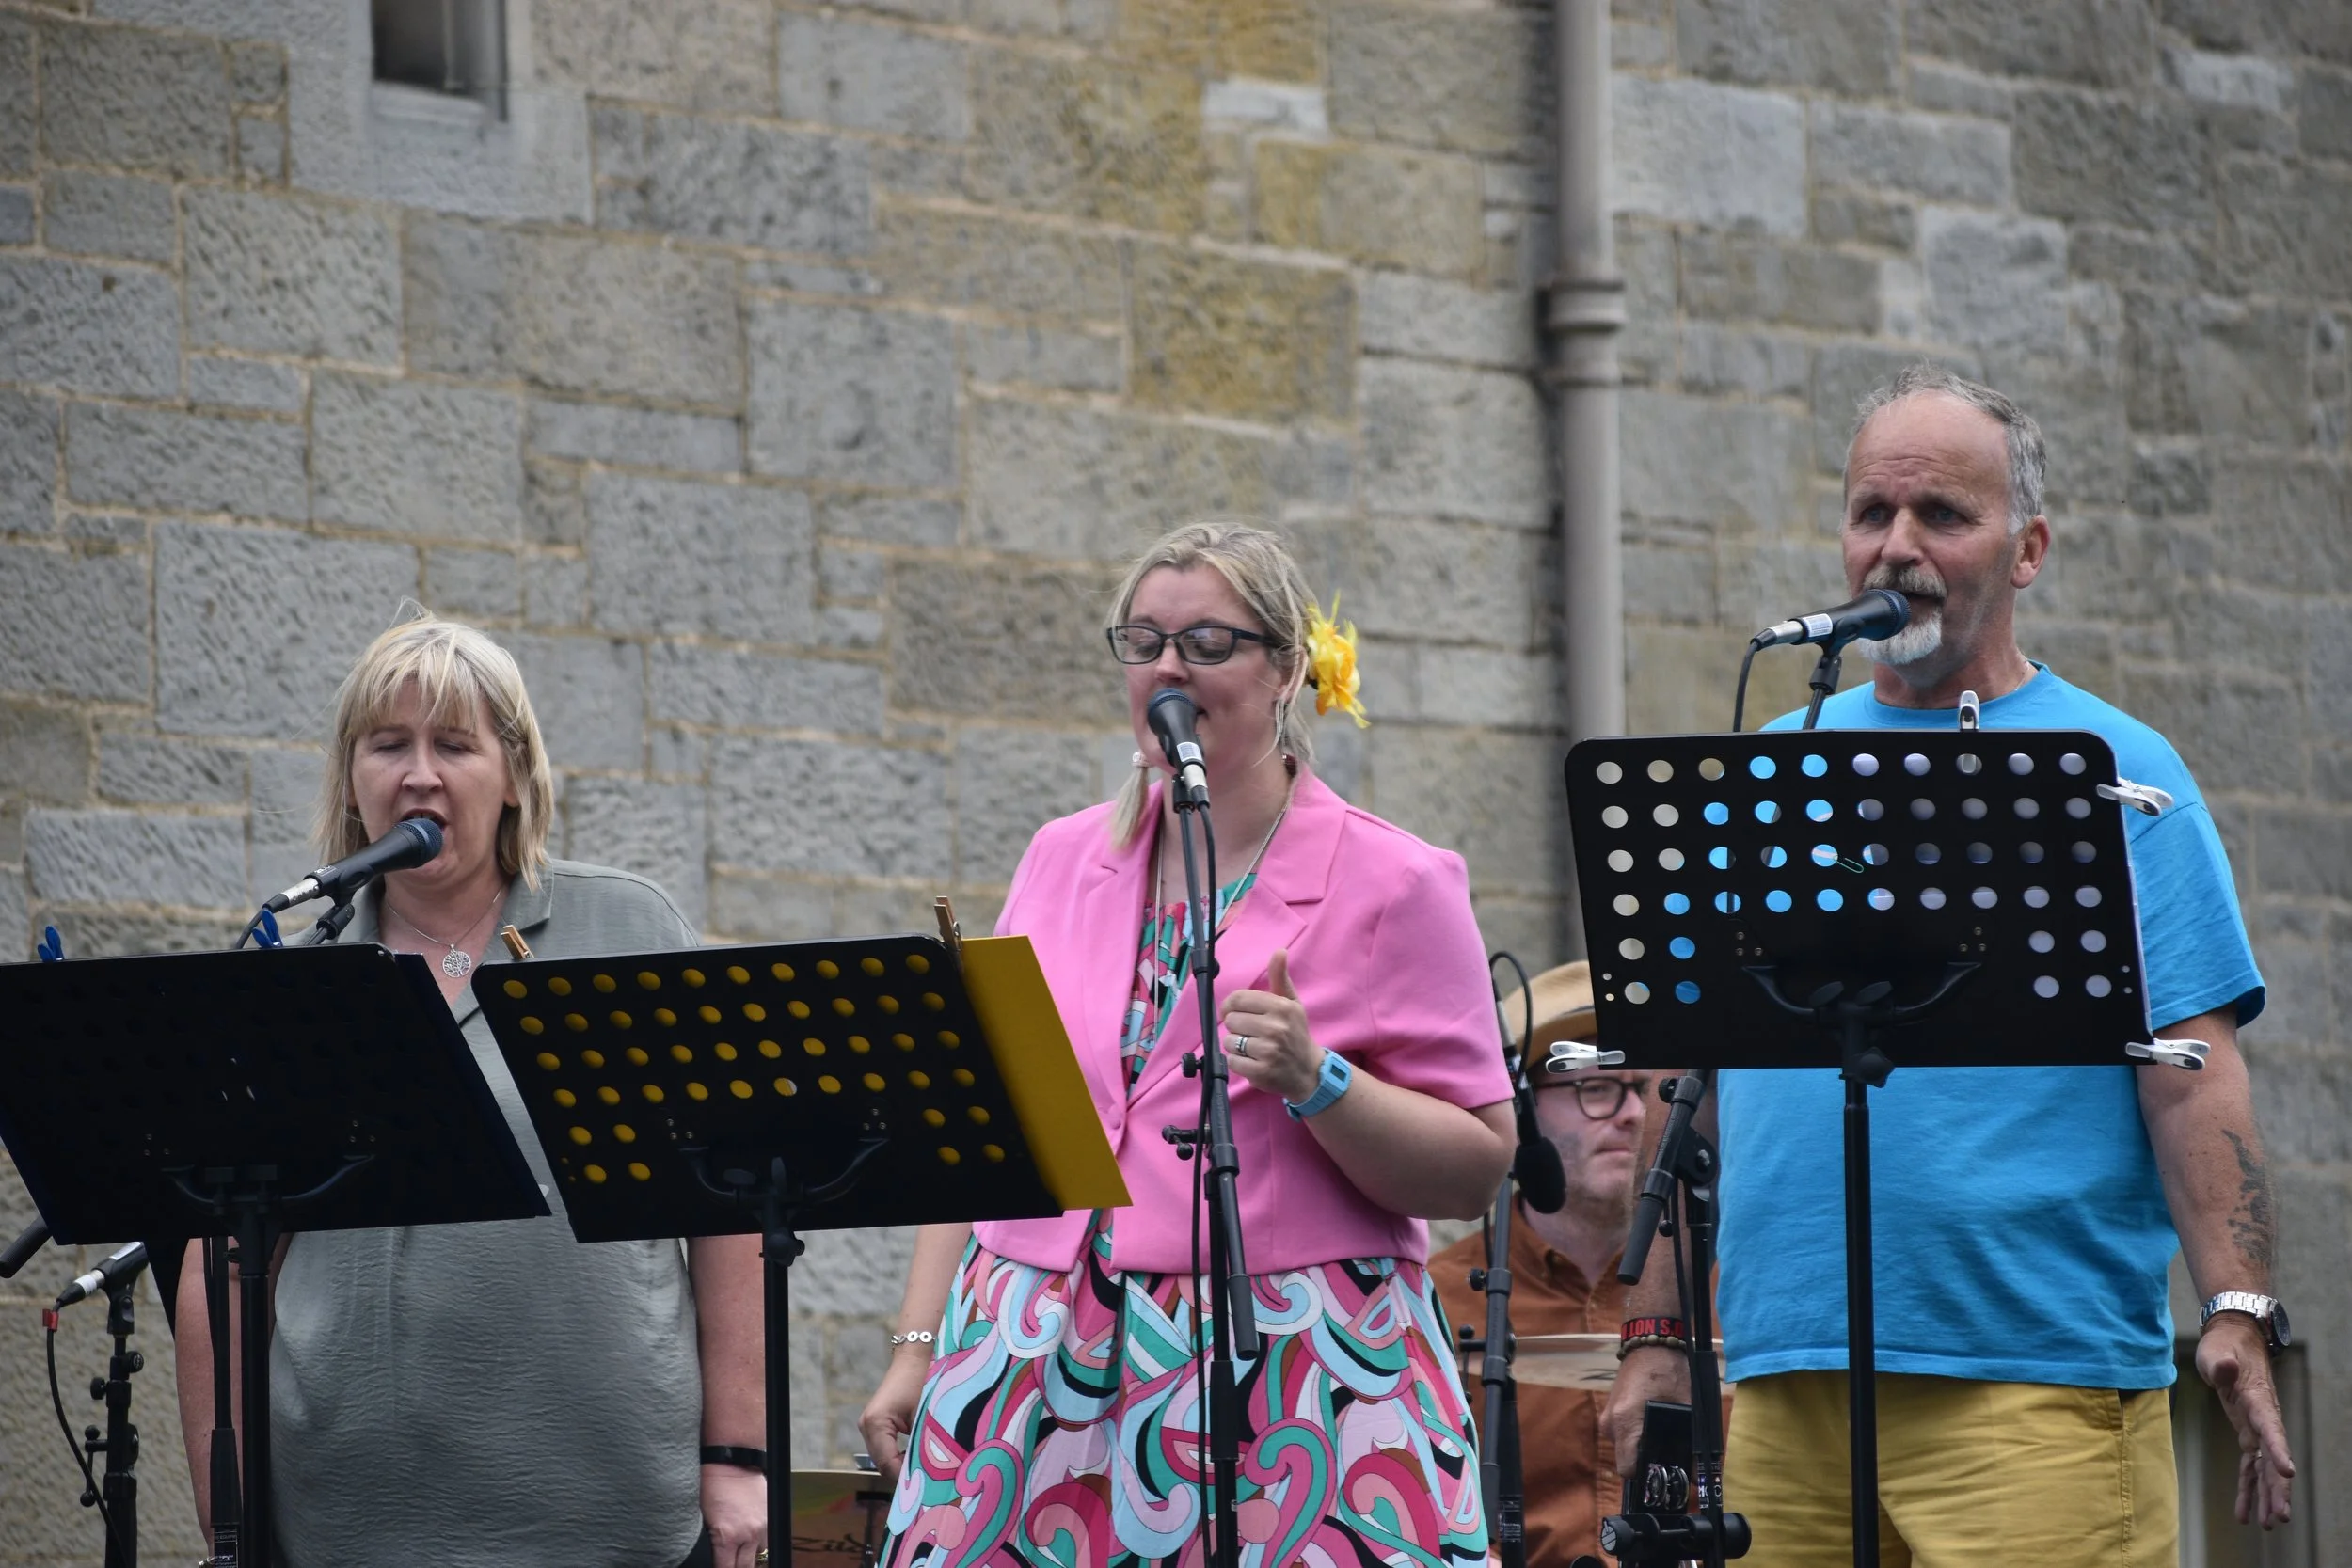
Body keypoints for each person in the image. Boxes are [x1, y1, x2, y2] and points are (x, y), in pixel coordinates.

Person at [1602, 365, 2295, 1565]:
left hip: (2033, 1382)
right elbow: (1685, 1087)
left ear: (2027, 549)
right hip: (1784, 1381)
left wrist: (2234, 1302)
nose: (1896, 547)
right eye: (1871, 512)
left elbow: (2192, 1073)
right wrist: (1656, 1335)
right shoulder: (1774, 761)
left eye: (1941, 514)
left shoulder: (2121, 769)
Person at [857, 521, 1516, 1568]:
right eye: (1144, 641)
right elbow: (988, 1127)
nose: (1168, 667)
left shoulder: (1396, 879)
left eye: (1208, 643)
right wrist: (917, 1347)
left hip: (1298, 1362)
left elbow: (1476, 1164)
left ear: (1287, 668)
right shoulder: (1060, 857)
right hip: (1031, 1355)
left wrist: (1319, 1080)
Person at [171, 612, 768, 1568]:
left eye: (454, 744)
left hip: (608, 1511)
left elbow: (728, 1205)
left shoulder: (627, 927)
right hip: (348, 1520)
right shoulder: (299, 973)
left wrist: (736, 1454)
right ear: (351, 777)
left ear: (515, 774)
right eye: (388, 744)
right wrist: (228, 1507)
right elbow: (223, 1258)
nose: (420, 773)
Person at [1431, 961, 1660, 1566]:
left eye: (1647, 1090)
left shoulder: (1721, 1288)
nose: (1633, 1114)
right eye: (1596, 1088)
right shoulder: (1435, 1299)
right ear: (1521, 1111)